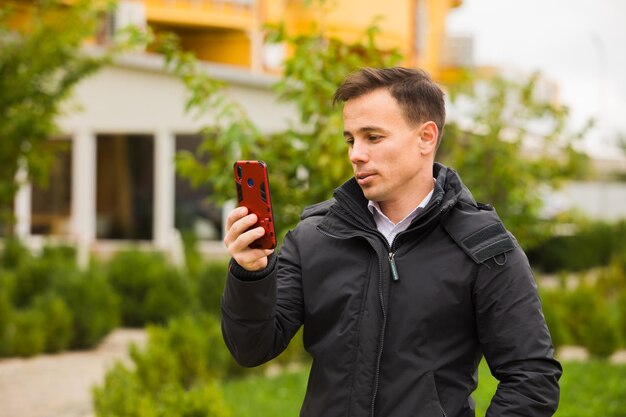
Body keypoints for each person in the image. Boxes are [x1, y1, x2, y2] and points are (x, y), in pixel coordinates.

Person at [221, 67, 562, 417]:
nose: (356, 154)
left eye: (373, 137)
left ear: (426, 137)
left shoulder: (484, 246)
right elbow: (251, 349)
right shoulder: (314, 237)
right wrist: (251, 274)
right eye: (351, 139)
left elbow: (531, 379)